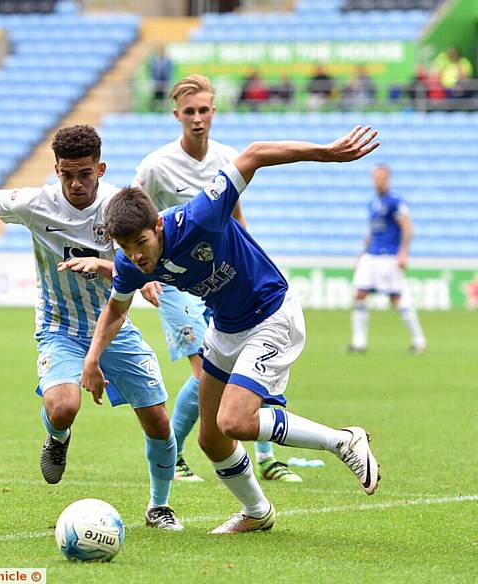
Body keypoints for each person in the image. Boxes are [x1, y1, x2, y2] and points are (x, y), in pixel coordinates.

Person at [82, 125, 381, 534]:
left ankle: (343, 440)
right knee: (212, 439)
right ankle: (258, 513)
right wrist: (93, 357)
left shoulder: (200, 216)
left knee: (236, 422)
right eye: (126, 247)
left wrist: (325, 153)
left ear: (157, 223)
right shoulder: (132, 262)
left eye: (141, 242)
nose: (136, 255)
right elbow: (116, 309)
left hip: (271, 314)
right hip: (225, 327)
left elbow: (255, 153)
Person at [0, 125, 183, 531]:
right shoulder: (36, 203)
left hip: (112, 324)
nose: (76, 184)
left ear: (100, 168)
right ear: (56, 170)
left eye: (84, 173)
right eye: (66, 174)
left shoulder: (119, 206)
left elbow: (142, 253)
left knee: (156, 420)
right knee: (63, 407)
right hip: (59, 325)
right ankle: (57, 439)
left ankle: (159, 506)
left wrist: (130, 272)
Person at [134, 73, 301, 483]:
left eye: (203, 110)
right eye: (189, 112)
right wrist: (143, 277)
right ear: (176, 115)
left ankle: (264, 457)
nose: (197, 118)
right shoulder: (155, 167)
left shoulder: (226, 158)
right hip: (174, 282)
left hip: (221, 280)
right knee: (206, 373)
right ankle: (172, 454)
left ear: (213, 112)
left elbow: (235, 217)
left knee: (237, 367)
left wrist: (254, 258)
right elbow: (133, 221)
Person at [349, 164, 426, 355]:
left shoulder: (395, 202)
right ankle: (359, 342)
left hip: (389, 256)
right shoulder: (373, 203)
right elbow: (372, 231)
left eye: (382, 178)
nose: (378, 181)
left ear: (388, 179)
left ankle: (419, 340)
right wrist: (362, 253)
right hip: (371, 255)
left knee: (397, 298)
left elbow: (407, 228)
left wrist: (403, 252)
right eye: (376, 178)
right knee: (359, 295)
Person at [149, 45, 173, 111]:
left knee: (165, 96)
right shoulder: (154, 60)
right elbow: (152, 71)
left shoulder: (168, 61)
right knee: (156, 96)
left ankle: (164, 110)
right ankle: (154, 109)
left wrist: (167, 81)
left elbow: (170, 71)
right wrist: (153, 81)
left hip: (165, 81)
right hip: (156, 82)